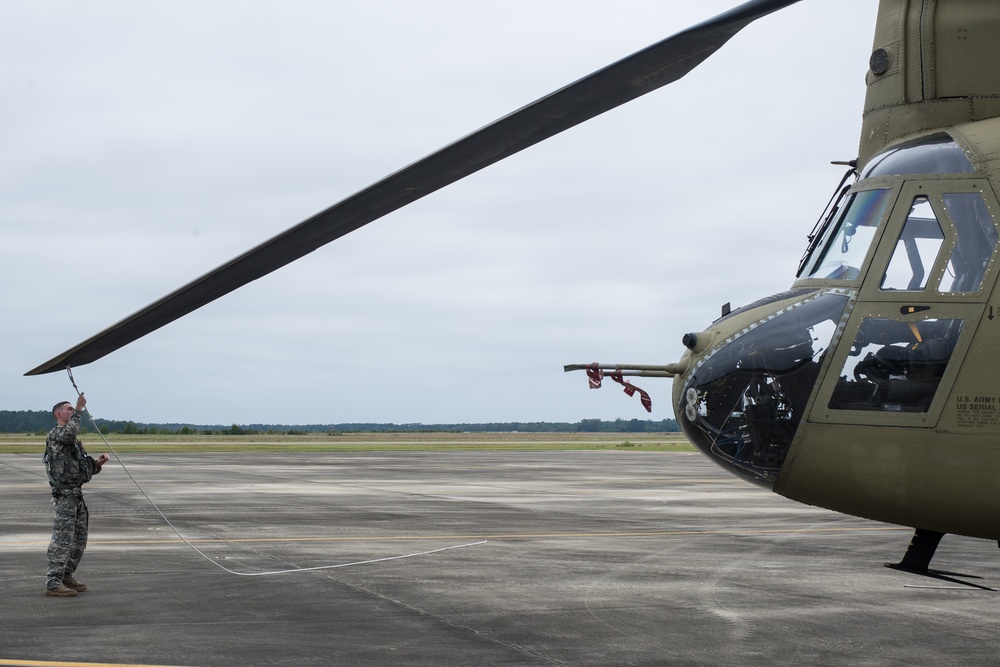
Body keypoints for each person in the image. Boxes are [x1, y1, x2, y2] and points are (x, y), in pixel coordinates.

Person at [43, 393, 109, 597]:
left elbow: (79, 471)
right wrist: (80, 409)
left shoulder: (72, 444)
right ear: (58, 414)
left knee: (80, 540)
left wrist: (96, 465)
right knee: (62, 540)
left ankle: (66, 575)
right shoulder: (57, 434)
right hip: (65, 499)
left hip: (77, 498)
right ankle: (53, 582)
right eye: (69, 409)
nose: (73, 411)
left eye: (73, 408)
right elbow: (68, 434)